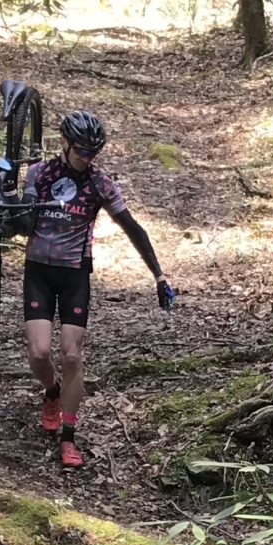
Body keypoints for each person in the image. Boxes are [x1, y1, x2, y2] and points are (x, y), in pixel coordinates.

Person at [21, 109, 175, 470]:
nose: (87, 159)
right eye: (81, 151)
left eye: (93, 153)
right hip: (39, 271)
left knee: (72, 356)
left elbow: (132, 228)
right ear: (65, 144)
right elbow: (24, 222)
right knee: (40, 352)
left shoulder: (99, 183)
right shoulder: (39, 174)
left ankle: (69, 437)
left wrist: (159, 275)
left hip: (75, 273)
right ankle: (52, 393)